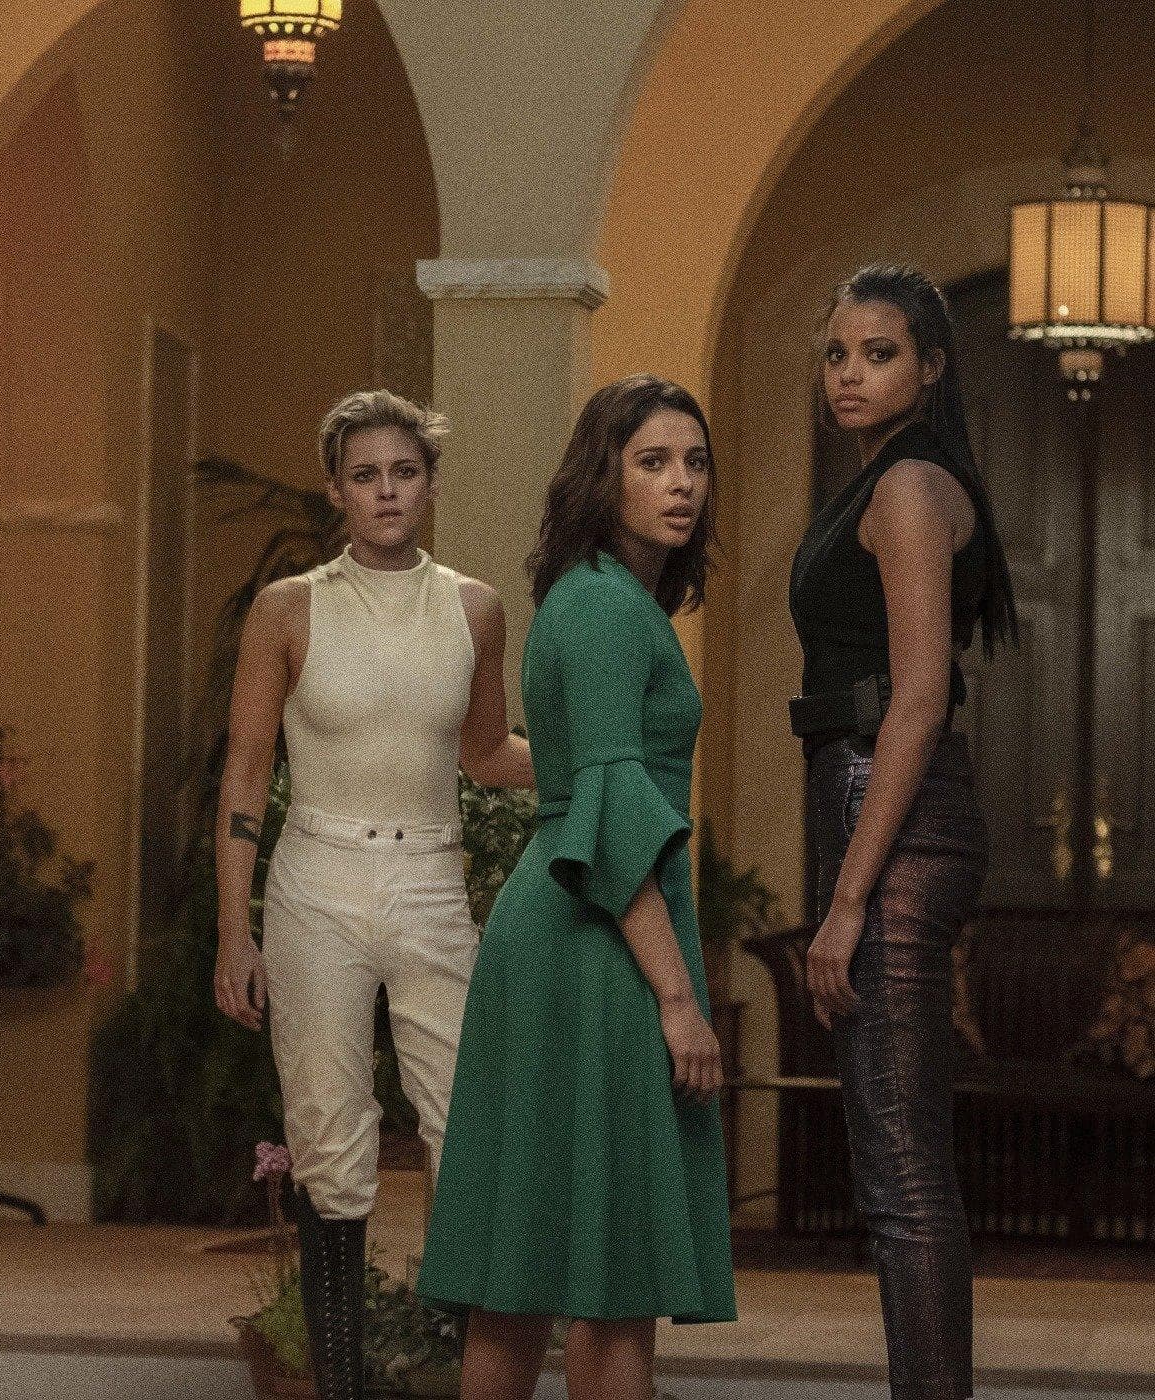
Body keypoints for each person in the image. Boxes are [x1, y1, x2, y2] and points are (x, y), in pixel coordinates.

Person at [418, 375, 737, 1400]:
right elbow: (608, 808)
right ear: (602, 477)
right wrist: (678, 998)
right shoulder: (603, 606)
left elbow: (572, 777)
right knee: (611, 1274)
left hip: (574, 929)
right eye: (652, 462)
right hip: (600, 939)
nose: (680, 483)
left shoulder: (606, 598)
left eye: (694, 462)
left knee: (525, 1268)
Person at [213, 389, 534, 1400]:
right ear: (335, 490)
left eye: (404, 471)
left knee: (467, 1124)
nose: (386, 491)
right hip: (316, 879)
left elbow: (486, 752)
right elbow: (245, 766)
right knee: (328, 1134)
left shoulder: (474, 607)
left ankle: (462, 1364)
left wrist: (600, 759)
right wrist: (233, 929)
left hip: (432, 878)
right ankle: (341, 1384)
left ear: (430, 483)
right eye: (365, 475)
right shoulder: (288, 608)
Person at [789, 264, 1017, 1400]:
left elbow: (918, 698)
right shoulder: (885, 480)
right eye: (837, 354)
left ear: (930, 367)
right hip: (878, 801)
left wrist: (846, 902)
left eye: (877, 354)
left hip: (891, 811)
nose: (849, 374)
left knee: (900, 1171)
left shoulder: (912, 486)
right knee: (894, 1159)